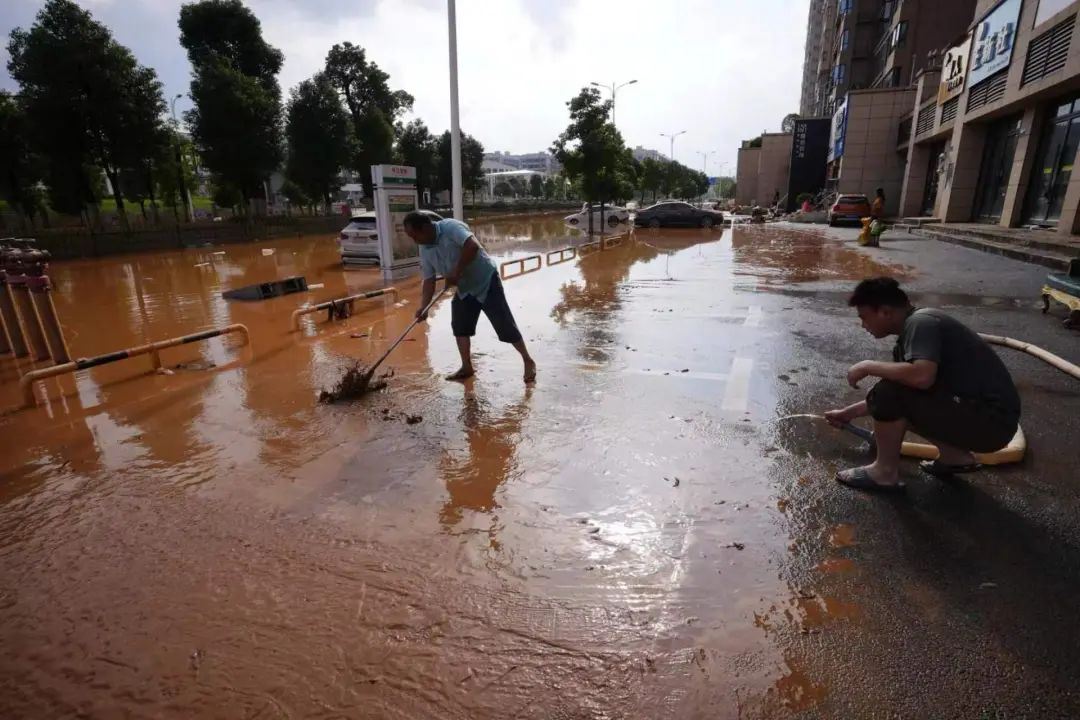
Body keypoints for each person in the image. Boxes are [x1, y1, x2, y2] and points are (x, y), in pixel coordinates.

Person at [824, 278, 1020, 491]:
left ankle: (884, 472)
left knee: (888, 391)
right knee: (892, 391)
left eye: (864, 318)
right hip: (988, 421)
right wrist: (848, 413)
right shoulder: (914, 330)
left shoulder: (921, 323)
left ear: (885, 312)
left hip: (991, 424)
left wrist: (867, 366)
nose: (863, 325)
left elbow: (919, 379)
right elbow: (905, 395)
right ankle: (954, 457)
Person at [403, 212, 537, 383]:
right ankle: (466, 367)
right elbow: (428, 279)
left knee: (504, 325)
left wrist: (456, 273)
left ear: (426, 227)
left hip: (486, 281)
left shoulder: (451, 228)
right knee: (460, 326)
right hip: (465, 289)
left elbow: (472, 246)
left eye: (415, 235)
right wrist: (424, 307)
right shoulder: (424, 248)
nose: (414, 241)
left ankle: (527, 360)